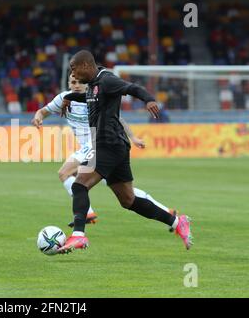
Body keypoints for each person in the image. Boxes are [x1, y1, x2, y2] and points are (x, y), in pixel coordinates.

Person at [58, 50, 192, 253]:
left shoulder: (107, 80)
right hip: (115, 145)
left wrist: (149, 100)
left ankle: (78, 236)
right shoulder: (94, 84)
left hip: (108, 144)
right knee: (128, 200)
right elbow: (90, 99)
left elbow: (132, 88)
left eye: (74, 69)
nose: (73, 75)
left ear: (85, 65)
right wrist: (69, 96)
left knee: (79, 185)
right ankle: (176, 222)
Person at [32, 73, 176, 229]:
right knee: (126, 193)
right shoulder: (63, 99)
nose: (77, 85)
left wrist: (133, 137)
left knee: (65, 172)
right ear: (68, 84)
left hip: (99, 143)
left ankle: (87, 214)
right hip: (90, 148)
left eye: (80, 81)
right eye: (73, 82)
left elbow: (118, 118)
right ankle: (167, 212)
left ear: (87, 84)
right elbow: (43, 111)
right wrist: (38, 117)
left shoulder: (93, 98)